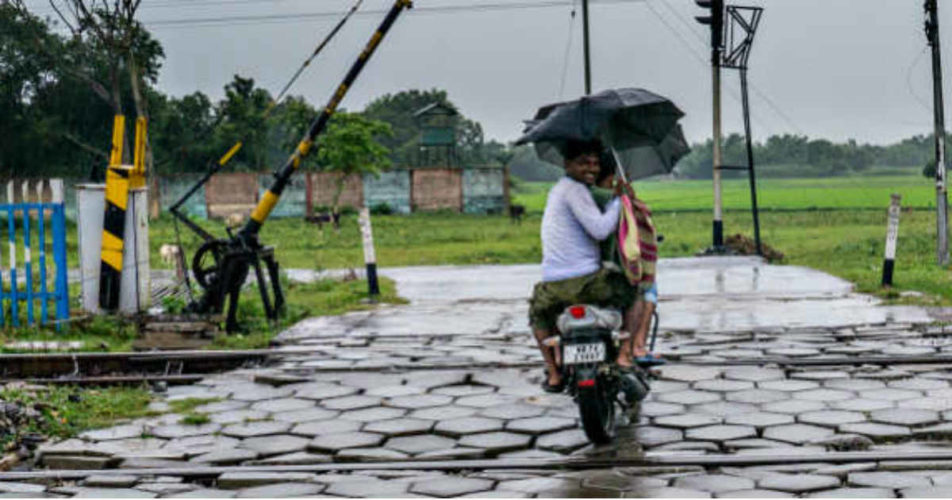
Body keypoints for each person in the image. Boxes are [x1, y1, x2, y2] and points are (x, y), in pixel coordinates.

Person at [528, 140, 640, 393]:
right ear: (567, 164)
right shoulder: (576, 191)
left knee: (537, 314)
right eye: (583, 163)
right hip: (588, 281)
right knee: (635, 292)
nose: (591, 168)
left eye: (595, 164)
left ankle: (554, 372)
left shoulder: (558, 190)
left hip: (553, 283)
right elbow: (600, 230)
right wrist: (619, 201)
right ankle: (625, 353)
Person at [591, 154, 662, 365]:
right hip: (610, 268)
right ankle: (635, 347)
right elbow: (641, 216)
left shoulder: (582, 196)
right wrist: (626, 199)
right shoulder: (611, 201)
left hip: (581, 267)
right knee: (647, 289)